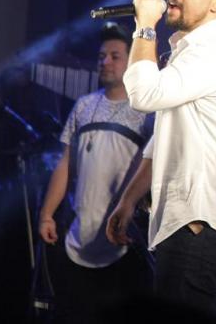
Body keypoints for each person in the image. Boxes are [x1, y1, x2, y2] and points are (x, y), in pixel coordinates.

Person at [106, 0, 216, 321]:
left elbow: (143, 95)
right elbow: (164, 139)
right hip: (187, 227)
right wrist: (129, 199)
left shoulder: (215, 49)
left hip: (198, 229)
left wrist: (144, 26)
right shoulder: (191, 51)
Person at [38, 23, 153, 323]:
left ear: (131, 62)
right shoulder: (84, 106)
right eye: (101, 56)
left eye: (115, 56)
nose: (105, 62)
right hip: (78, 237)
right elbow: (65, 163)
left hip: (122, 240)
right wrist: (47, 214)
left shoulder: (146, 112)